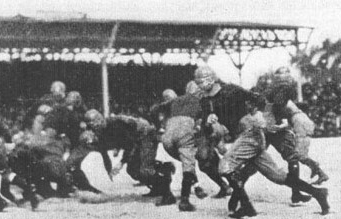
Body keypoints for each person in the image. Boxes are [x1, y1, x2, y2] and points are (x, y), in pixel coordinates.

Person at [218, 99, 330, 218]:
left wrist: (271, 127)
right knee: (278, 177)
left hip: (251, 144)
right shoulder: (258, 112)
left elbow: (266, 125)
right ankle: (318, 193)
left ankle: (246, 207)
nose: (248, 105)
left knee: (225, 168)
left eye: (250, 103)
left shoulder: (259, 115)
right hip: (257, 147)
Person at [195, 65, 263, 198]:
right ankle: (225, 186)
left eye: (202, 81)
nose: (200, 86)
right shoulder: (203, 100)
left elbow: (257, 98)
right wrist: (206, 121)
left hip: (241, 130)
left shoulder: (231, 90)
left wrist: (257, 114)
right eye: (198, 83)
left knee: (258, 163)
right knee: (203, 158)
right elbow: (203, 121)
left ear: (212, 79)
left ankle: (239, 184)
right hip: (220, 132)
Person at [84, 109, 176, 206]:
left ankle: (168, 195)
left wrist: (121, 163)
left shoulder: (115, 124)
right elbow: (104, 154)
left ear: (101, 119)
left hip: (145, 134)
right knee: (132, 170)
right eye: (90, 125)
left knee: (145, 170)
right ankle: (161, 177)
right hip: (137, 138)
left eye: (95, 123)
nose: (94, 127)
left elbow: (130, 144)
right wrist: (109, 170)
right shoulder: (100, 133)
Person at [153, 81, 208, 211]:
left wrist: (160, 125)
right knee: (188, 163)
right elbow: (202, 123)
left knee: (176, 161)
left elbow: (155, 109)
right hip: (184, 129)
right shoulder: (200, 101)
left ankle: (169, 194)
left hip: (168, 134)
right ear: (196, 91)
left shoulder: (176, 100)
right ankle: (184, 200)